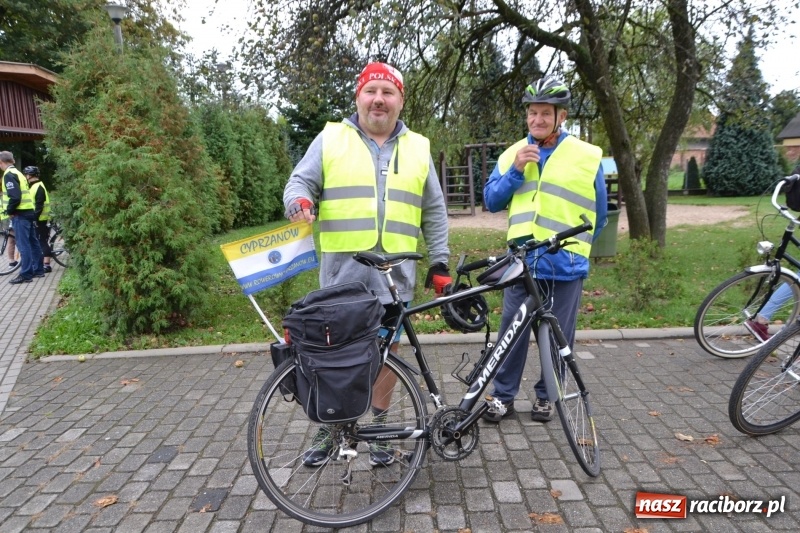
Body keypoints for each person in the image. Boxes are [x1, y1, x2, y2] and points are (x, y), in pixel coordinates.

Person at [284, 61, 451, 466]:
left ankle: (379, 429)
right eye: (371, 91)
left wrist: (440, 261)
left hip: (395, 279)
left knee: (387, 357)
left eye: (387, 92)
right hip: (342, 278)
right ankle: (331, 429)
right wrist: (299, 201)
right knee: (333, 359)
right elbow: (300, 181)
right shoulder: (331, 138)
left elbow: (434, 209)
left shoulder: (418, 147)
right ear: (358, 97)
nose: (379, 99)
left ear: (400, 100)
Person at [481, 75, 608, 423]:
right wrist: (516, 170)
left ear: (561, 116)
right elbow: (491, 201)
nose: (537, 120)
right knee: (511, 335)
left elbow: (599, 216)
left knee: (558, 337)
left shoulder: (586, 156)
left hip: (565, 264)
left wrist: (577, 249)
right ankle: (503, 397)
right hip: (521, 264)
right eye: (532, 113)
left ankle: (547, 396)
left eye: (545, 113)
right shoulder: (512, 154)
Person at [0, 151, 43, 284]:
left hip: (20, 214)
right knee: (33, 242)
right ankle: (38, 270)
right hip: (28, 212)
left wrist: (9, 210)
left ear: (1, 162)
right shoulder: (19, 173)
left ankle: (26, 274)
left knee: (23, 245)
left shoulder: (9, 175)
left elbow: (15, 197)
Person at [23, 166, 52, 273]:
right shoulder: (34, 186)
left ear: (30, 175)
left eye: (26, 174)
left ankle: (47, 265)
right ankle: (41, 263)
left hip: (40, 219)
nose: (25, 176)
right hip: (38, 218)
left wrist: (34, 218)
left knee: (41, 241)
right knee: (40, 241)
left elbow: (39, 205)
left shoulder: (38, 187)